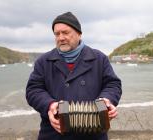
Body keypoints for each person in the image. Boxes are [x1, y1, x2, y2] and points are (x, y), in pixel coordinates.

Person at [26, 12, 122, 140]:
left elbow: (113, 84)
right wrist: (49, 105)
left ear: (79, 33)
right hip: (54, 134)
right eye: (57, 34)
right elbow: (33, 90)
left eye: (65, 32)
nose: (61, 38)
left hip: (94, 133)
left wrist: (107, 100)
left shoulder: (99, 58)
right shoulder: (44, 61)